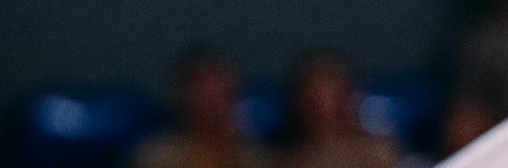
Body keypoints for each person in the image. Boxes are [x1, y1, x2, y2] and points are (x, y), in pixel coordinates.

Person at [131, 50, 271, 168]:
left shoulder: (257, 158)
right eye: (204, 97)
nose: (213, 107)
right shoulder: (158, 157)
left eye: (220, 96)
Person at [275, 52, 396, 168]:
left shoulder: (377, 156)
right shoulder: (279, 160)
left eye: (332, 97)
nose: (323, 109)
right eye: (313, 100)